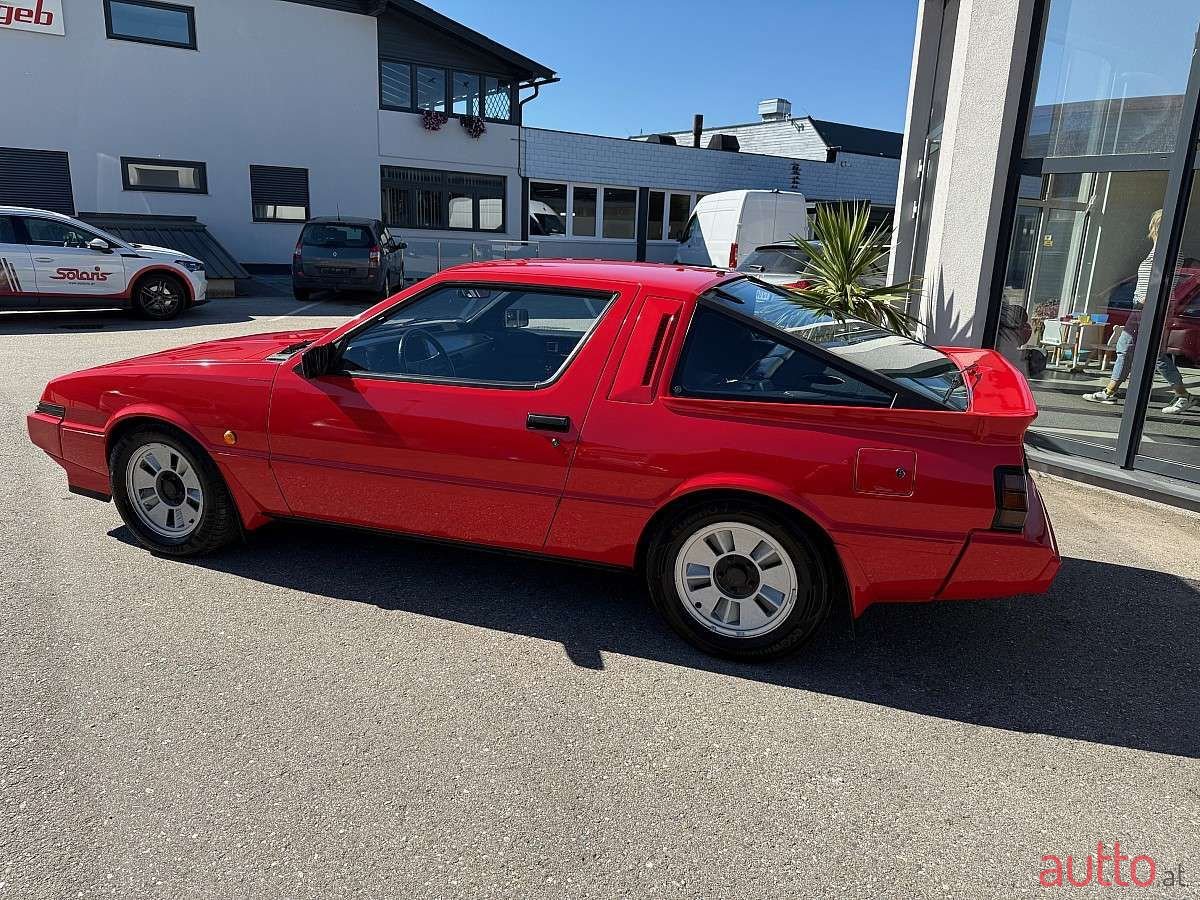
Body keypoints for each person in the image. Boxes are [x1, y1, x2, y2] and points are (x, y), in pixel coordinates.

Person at [1083, 210, 1194, 414]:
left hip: (1151, 306)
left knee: (1154, 354)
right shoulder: (1159, 249)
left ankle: (1183, 395)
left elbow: (1163, 281)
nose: (1152, 228)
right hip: (1143, 306)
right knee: (1125, 346)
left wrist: (1149, 299)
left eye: (1155, 225)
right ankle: (1110, 391)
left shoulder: (1168, 250)